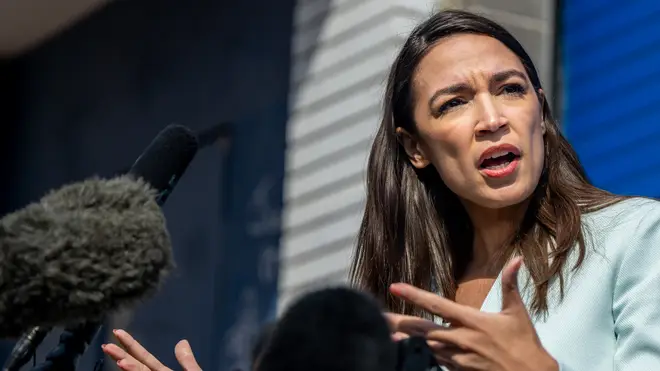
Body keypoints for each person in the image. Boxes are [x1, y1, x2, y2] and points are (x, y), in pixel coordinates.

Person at [100, 9, 660, 371]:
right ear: (415, 147)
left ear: (541, 110)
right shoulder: (400, 298)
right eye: (454, 102)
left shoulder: (637, 237)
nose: (491, 118)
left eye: (510, 89)